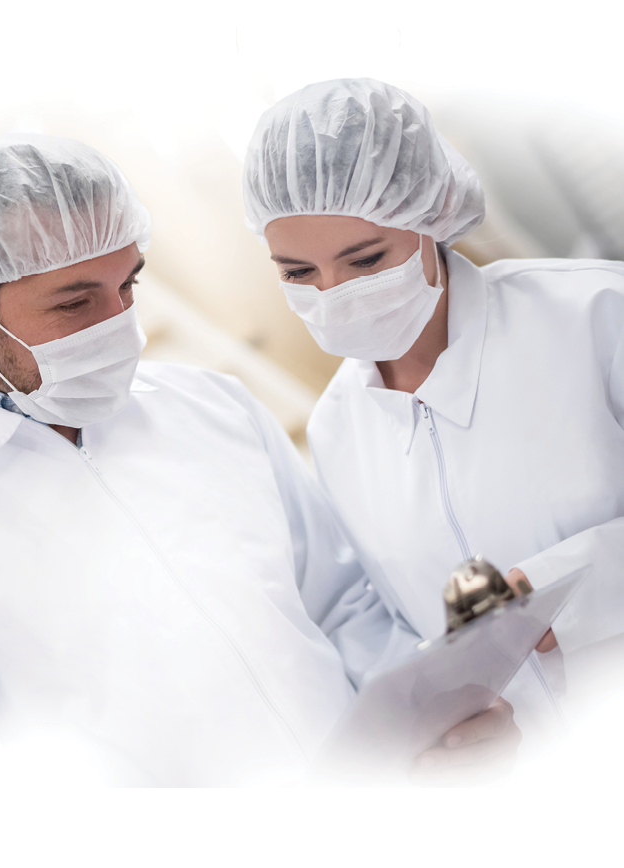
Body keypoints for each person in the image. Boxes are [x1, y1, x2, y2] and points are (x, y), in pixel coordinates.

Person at [0, 133, 515, 785]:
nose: (117, 325)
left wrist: (434, 724)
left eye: (127, 286)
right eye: (76, 302)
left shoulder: (209, 408)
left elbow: (342, 606)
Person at [242, 78, 624, 746]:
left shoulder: (592, 316)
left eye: (365, 259)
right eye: (298, 273)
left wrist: (560, 591)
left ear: (432, 215)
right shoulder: (337, 430)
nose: (335, 295)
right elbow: (402, 626)